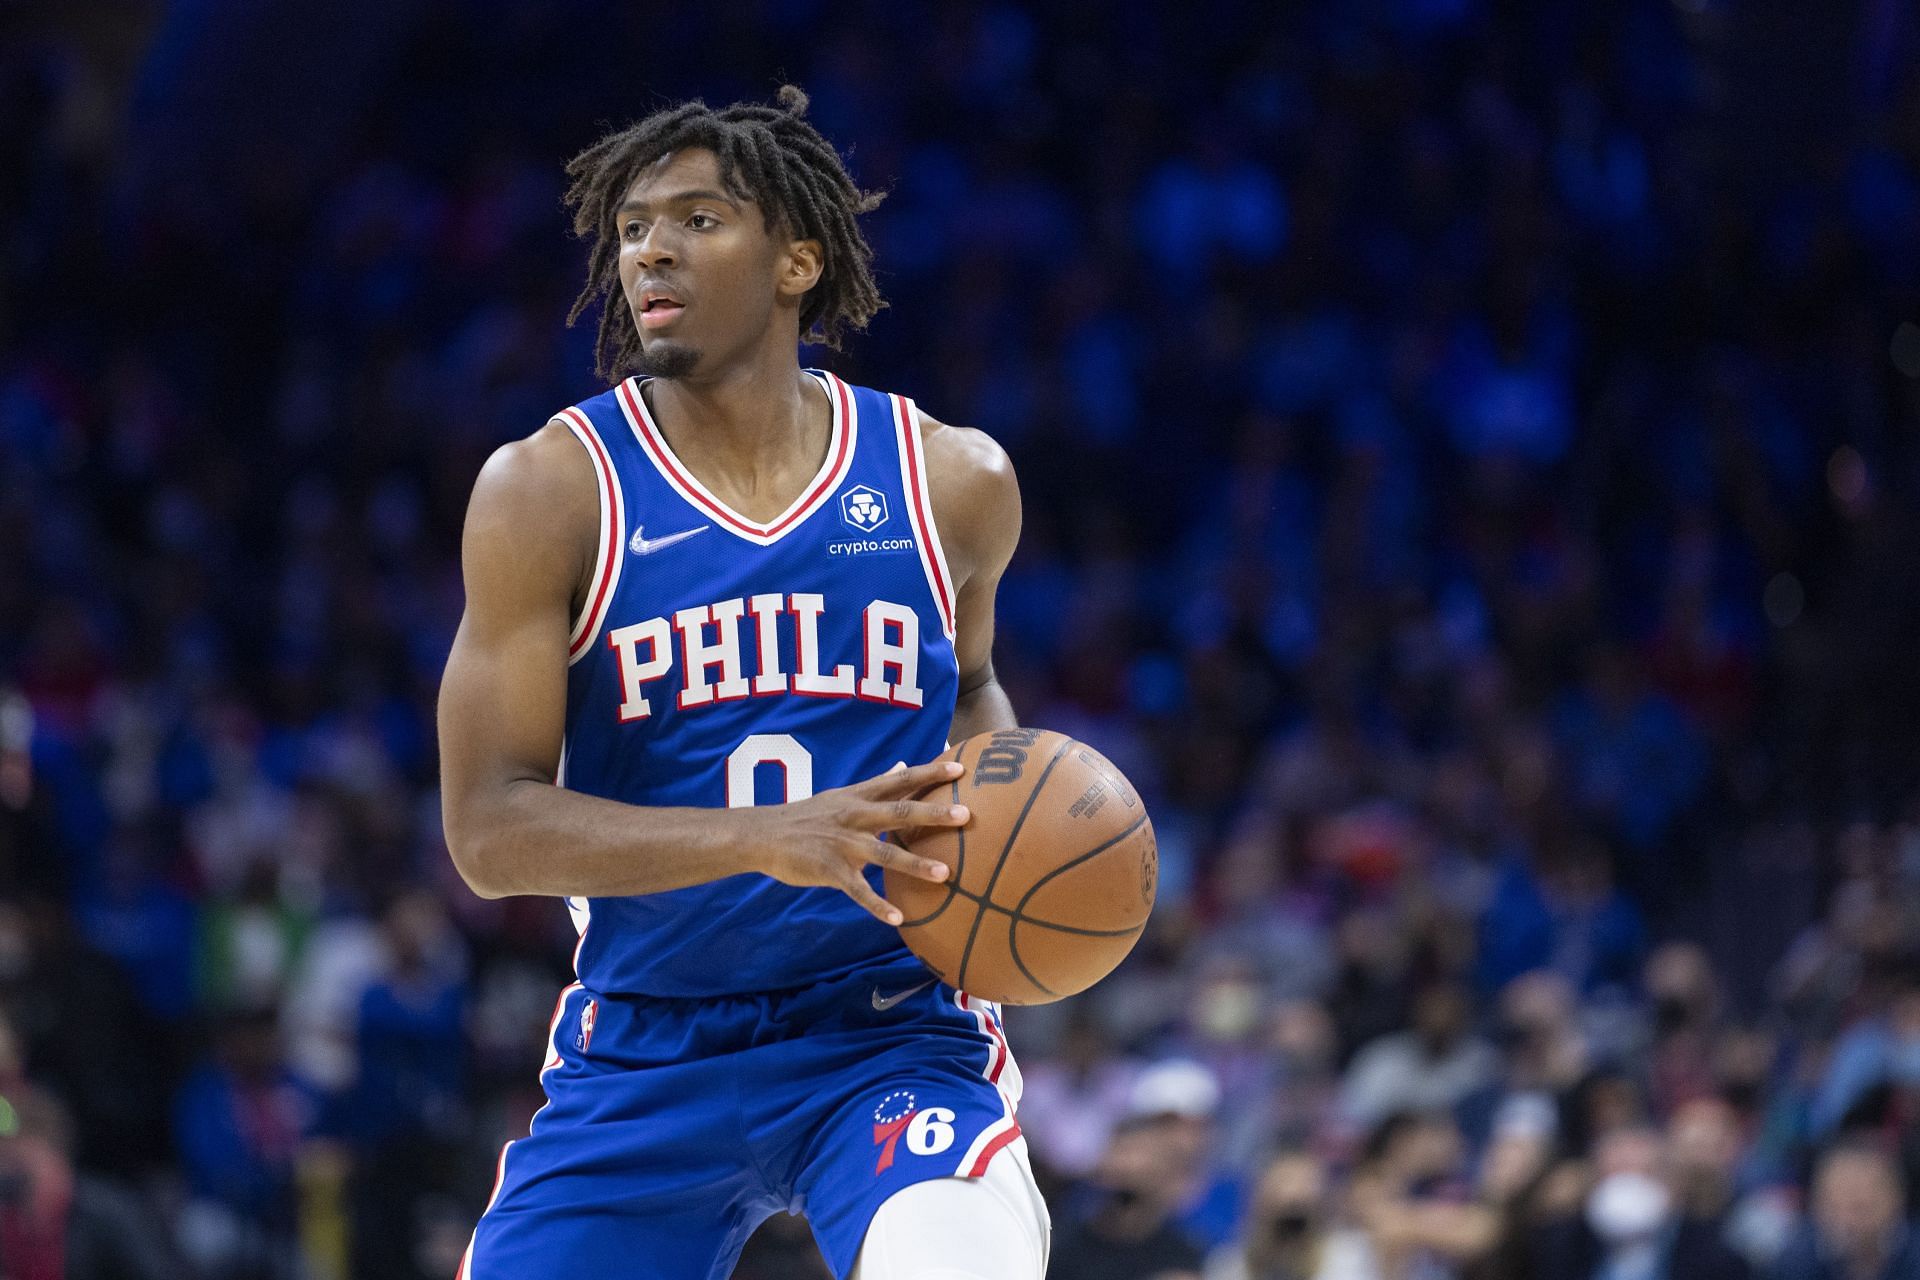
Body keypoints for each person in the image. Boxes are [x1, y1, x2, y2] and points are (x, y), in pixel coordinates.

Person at [436, 87, 1043, 1280]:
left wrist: (1010, 836)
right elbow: (489, 829)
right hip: (648, 1049)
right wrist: (766, 836)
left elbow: (971, 689)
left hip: (887, 1029)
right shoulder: (551, 492)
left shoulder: (950, 481)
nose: (649, 247)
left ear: (796, 261)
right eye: (631, 226)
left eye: (698, 219)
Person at [1769, 1145, 1920, 1280]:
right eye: (1832, 1208)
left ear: (1896, 1201)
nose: (1845, 1221)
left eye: (1859, 1208)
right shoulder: (1795, 1261)